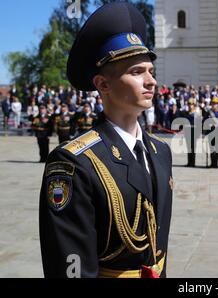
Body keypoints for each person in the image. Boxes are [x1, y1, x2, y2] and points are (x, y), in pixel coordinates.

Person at [39, 2, 173, 278]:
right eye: (137, 72)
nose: (150, 81)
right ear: (103, 85)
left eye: (151, 71)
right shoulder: (75, 162)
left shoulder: (160, 152)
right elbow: (69, 266)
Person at [205, 97, 218, 168]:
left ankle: (216, 163)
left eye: (215, 104)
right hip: (210, 133)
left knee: (217, 149)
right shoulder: (209, 113)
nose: (214, 105)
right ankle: (212, 163)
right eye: (213, 103)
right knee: (211, 148)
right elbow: (204, 122)